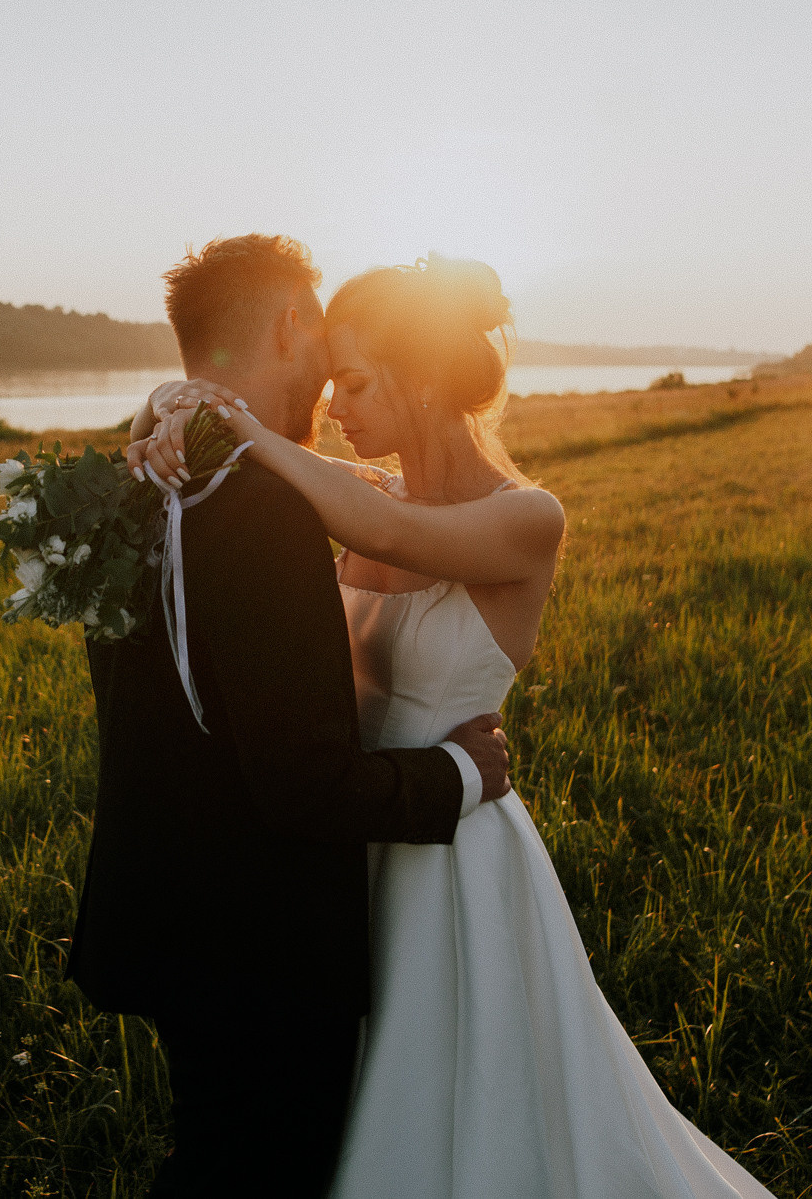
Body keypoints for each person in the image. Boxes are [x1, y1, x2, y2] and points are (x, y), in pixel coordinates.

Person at [132, 253, 776, 1199]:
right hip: (349, 834)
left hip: (451, 855)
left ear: (423, 377)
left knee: (471, 1101)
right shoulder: (369, 491)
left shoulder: (524, 520)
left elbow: (381, 532)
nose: (335, 405)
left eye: (353, 382)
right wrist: (170, 402)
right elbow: (343, 497)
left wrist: (243, 430)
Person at [66, 234, 513, 1199]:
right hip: (258, 941)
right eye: (325, 357)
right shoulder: (263, 507)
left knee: (212, 1152)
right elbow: (303, 780)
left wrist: (168, 403)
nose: (331, 390)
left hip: (163, 912)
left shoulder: (133, 482)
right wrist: (459, 774)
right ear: (288, 325)